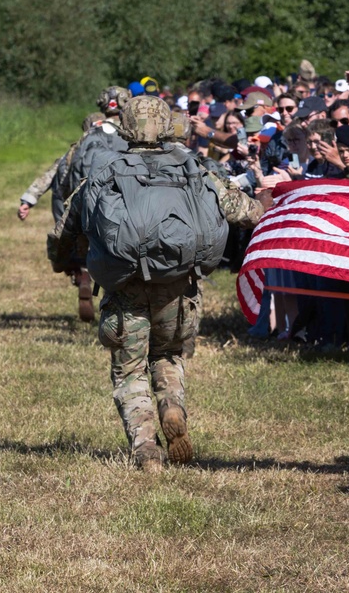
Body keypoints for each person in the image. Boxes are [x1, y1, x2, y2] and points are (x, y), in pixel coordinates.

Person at [52, 96, 270, 470]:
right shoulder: (196, 169)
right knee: (167, 355)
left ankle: (145, 451)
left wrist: (61, 261)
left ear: (125, 129)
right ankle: (172, 407)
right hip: (178, 285)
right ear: (168, 127)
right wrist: (265, 199)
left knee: (129, 370)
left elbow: (64, 230)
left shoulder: (104, 172)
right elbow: (246, 213)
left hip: (125, 287)